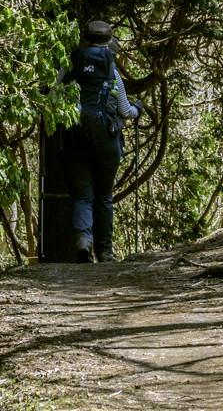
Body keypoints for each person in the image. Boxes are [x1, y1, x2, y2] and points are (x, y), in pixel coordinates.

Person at [62, 20, 140, 263]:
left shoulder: (69, 64)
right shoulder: (111, 69)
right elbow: (125, 110)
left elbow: (53, 94)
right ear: (108, 42)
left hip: (74, 139)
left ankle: (83, 240)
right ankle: (105, 252)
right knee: (104, 196)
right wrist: (138, 110)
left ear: (85, 39)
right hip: (107, 140)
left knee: (82, 197)